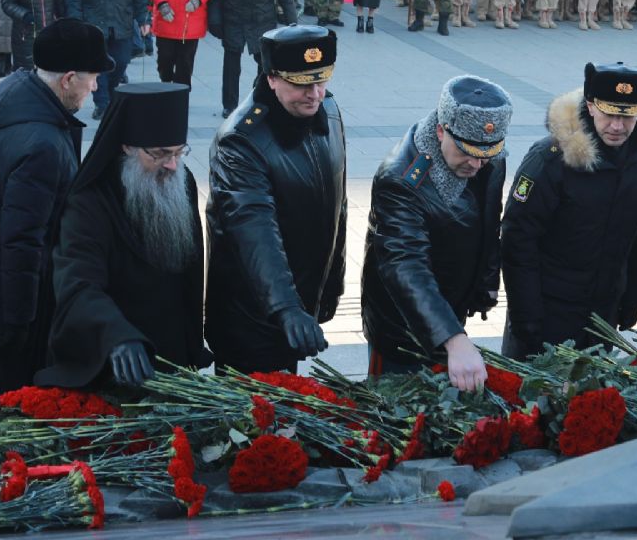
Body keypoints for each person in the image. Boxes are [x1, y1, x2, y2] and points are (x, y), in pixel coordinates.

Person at [0, 19, 113, 394]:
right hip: (11, 311)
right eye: (91, 78)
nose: (94, 87)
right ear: (68, 78)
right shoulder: (42, 144)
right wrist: (20, 327)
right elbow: (23, 243)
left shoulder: (18, 95)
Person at [44, 82, 208, 388]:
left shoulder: (180, 179)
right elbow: (78, 283)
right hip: (116, 356)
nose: (172, 165)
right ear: (127, 147)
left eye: (178, 152)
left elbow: (190, 271)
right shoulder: (89, 201)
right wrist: (117, 336)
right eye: (159, 154)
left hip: (172, 350)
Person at [205, 26, 346, 373]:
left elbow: (337, 207)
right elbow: (254, 229)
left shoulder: (328, 110)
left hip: (300, 306)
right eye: (301, 84)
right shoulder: (241, 140)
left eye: (321, 80)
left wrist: (328, 289)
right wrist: (285, 307)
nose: (314, 94)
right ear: (271, 79)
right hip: (252, 316)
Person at [501, 63, 637, 359]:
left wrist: (633, 298)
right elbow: (517, 240)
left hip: (602, 313)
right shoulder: (550, 159)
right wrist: (526, 315)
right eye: (609, 113)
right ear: (590, 105)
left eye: (627, 116)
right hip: (548, 311)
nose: (617, 126)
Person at [362, 75, 511, 389]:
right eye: (466, 151)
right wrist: (453, 339)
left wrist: (486, 283)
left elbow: (489, 218)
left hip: (451, 310)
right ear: (441, 130)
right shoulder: (401, 178)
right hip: (402, 328)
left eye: (487, 153)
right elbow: (405, 264)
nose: (476, 163)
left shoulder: (487, 159)